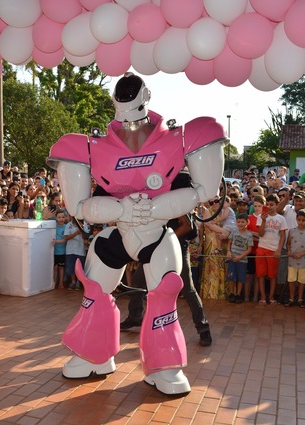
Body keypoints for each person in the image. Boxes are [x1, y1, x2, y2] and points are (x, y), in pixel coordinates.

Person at [47, 72, 225, 394]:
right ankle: (93, 355)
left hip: (155, 232)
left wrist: (150, 211)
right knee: (95, 292)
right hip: (116, 232)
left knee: (164, 295)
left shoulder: (180, 137)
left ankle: (164, 366)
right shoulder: (90, 147)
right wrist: (121, 210)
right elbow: (77, 206)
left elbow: (204, 191)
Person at [120, 213, 213, 347]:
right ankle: (135, 317)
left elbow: (187, 226)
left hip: (177, 249)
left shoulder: (174, 198)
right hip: (155, 249)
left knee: (188, 290)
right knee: (137, 282)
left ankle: (203, 329)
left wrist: (165, 241)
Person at [256, 194, 288, 304]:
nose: (269, 206)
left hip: (273, 249)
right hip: (262, 248)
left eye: (272, 204)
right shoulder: (261, 217)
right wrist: (264, 221)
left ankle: (271, 296)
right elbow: (260, 234)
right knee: (261, 274)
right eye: (267, 204)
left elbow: (283, 235)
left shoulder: (281, 218)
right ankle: (263, 297)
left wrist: (279, 250)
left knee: (272, 275)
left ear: (276, 205)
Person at [286, 210, 305, 307]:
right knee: (291, 280)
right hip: (292, 260)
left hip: (304, 260)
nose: (301, 222)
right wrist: (289, 252)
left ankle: (300, 298)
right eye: (299, 220)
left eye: (303, 220)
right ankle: (291, 298)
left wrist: (302, 253)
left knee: (302, 280)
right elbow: (288, 243)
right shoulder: (292, 231)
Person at [226, 213, 252, 303]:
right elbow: (229, 242)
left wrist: (240, 257)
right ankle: (231, 294)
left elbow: (249, 249)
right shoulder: (234, 231)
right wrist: (228, 251)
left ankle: (238, 294)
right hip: (232, 259)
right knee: (231, 277)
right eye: (238, 221)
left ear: (247, 222)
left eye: (242, 222)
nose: (240, 223)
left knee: (241, 278)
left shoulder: (249, 235)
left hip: (242, 260)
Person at [64, 216, 86, 291]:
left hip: (80, 250)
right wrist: (77, 233)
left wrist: (82, 230)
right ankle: (73, 281)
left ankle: (78, 282)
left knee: (80, 268)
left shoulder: (84, 225)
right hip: (70, 250)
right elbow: (66, 237)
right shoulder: (68, 225)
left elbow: (85, 237)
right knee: (71, 267)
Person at [52, 210, 68, 289]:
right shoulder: (53, 226)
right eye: (59, 217)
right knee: (55, 268)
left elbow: (66, 239)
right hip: (54, 251)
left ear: (65, 218)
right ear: (56, 218)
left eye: (63, 217)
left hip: (62, 251)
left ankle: (60, 283)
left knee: (61, 268)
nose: (61, 219)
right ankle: (54, 283)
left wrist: (56, 242)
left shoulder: (66, 227)